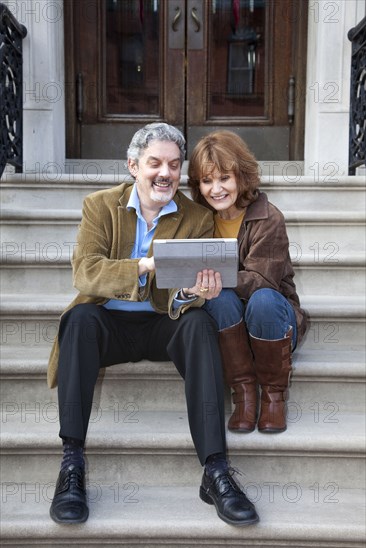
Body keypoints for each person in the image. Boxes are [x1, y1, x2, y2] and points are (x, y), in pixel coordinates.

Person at [47, 123, 259, 527]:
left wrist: (194, 291)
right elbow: (85, 271)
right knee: (77, 319)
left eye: (175, 166)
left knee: (198, 323)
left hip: (164, 324)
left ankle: (216, 471)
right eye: (155, 163)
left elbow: (180, 296)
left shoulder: (196, 216)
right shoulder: (99, 206)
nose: (166, 173)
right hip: (107, 323)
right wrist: (143, 266)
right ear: (133, 165)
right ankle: (71, 465)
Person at [188, 130, 307, 434]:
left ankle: (273, 396)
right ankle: (243, 395)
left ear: (242, 176)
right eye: (206, 180)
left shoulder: (268, 218)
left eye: (224, 178)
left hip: (273, 324)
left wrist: (213, 278)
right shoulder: (198, 219)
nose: (216, 189)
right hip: (229, 324)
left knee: (262, 299)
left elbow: (262, 280)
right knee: (219, 297)